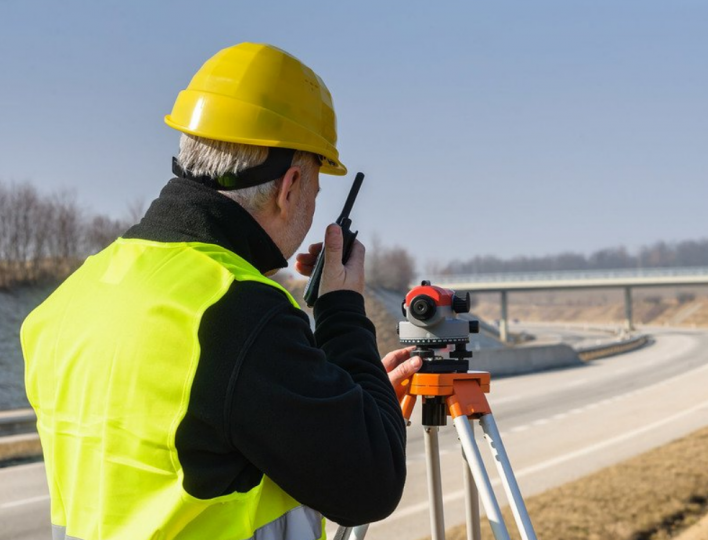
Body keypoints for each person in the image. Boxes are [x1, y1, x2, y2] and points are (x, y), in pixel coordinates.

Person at [21, 42, 421, 539]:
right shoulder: (241, 314)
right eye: (316, 190)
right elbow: (371, 483)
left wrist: (340, 394)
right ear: (291, 185)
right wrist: (341, 310)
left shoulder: (67, 302)